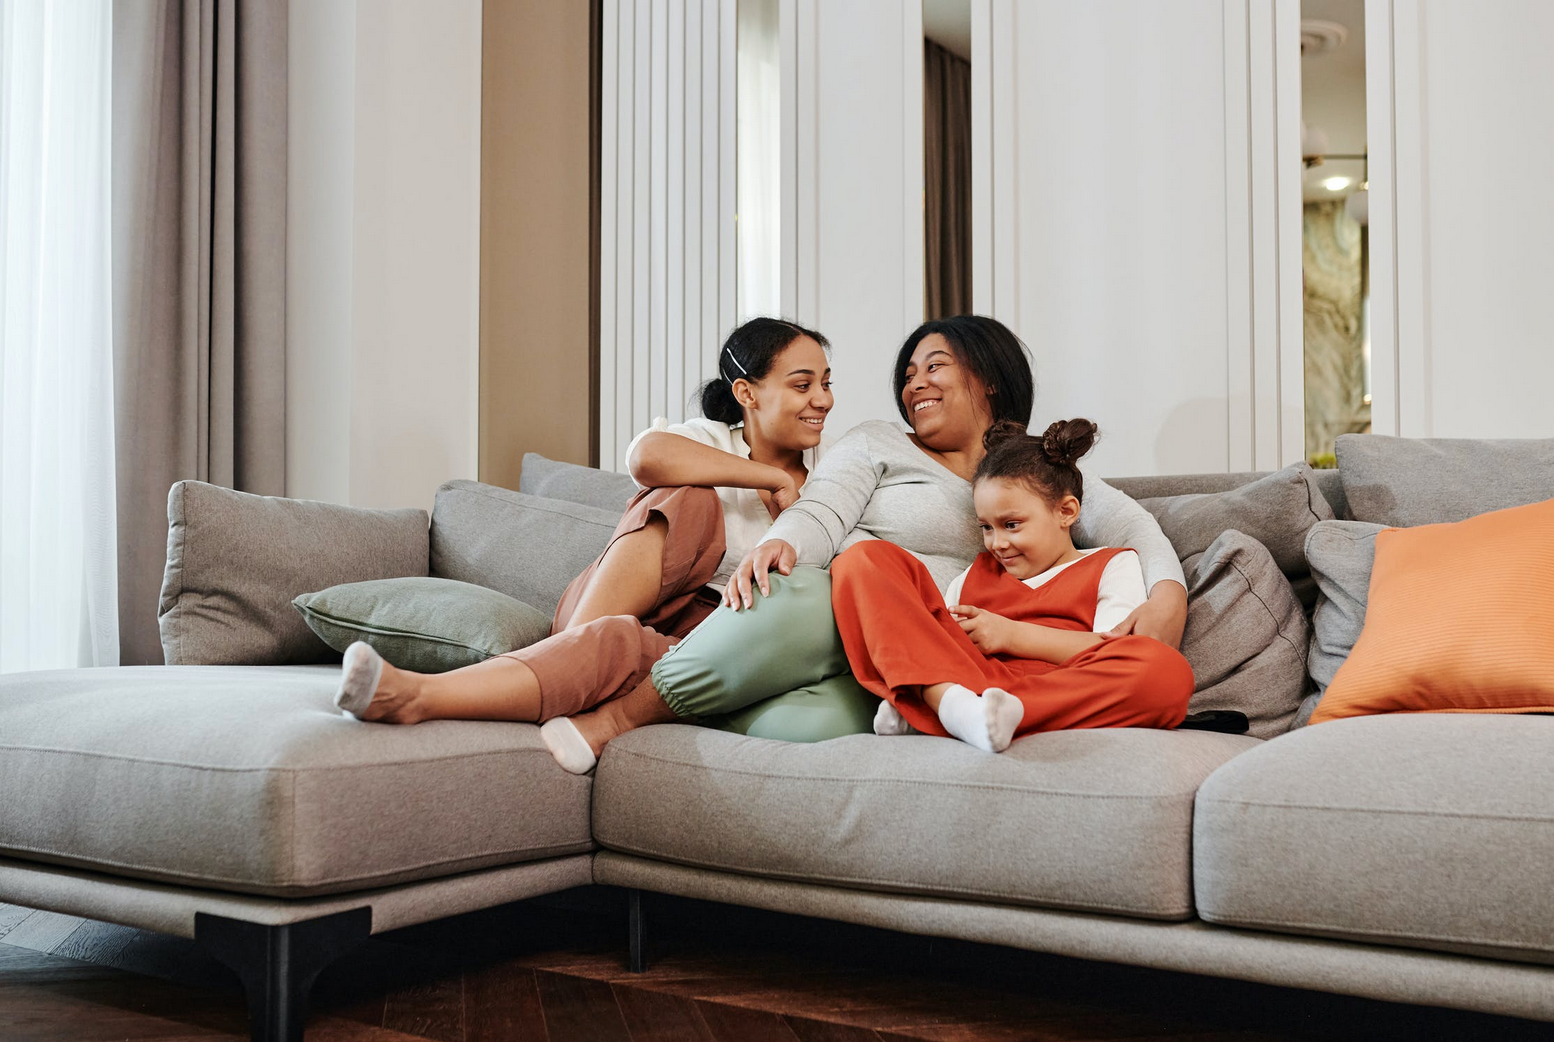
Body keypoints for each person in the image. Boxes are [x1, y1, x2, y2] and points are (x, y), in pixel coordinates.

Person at [541, 315, 1191, 756]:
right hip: (880, 627)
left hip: (988, 657)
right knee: (867, 560)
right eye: (908, 373)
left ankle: (959, 709)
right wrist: (786, 542)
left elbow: (1133, 526)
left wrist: (1166, 597)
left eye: (934, 366)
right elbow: (823, 510)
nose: (915, 382)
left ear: (989, 377)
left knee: (1163, 674)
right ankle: (617, 712)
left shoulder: (1040, 466)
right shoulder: (876, 444)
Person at [332, 317, 834, 772]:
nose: (823, 400)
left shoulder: (832, 481)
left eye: (827, 384)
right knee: (688, 498)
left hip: (700, 642)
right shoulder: (708, 440)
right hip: (613, 605)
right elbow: (646, 456)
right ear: (746, 393)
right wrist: (765, 477)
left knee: (616, 642)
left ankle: (425, 695)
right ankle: (531, 664)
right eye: (803, 385)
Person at [831, 418, 1194, 753]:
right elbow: (932, 639)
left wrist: (1009, 635)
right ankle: (951, 704)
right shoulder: (976, 573)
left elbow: (1110, 649)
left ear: (1066, 512)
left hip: (1057, 689)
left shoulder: (1112, 564)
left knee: (1165, 671)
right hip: (970, 676)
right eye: (986, 527)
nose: (997, 543)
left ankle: (941, 709)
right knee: (863, 558)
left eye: (1012, 524)